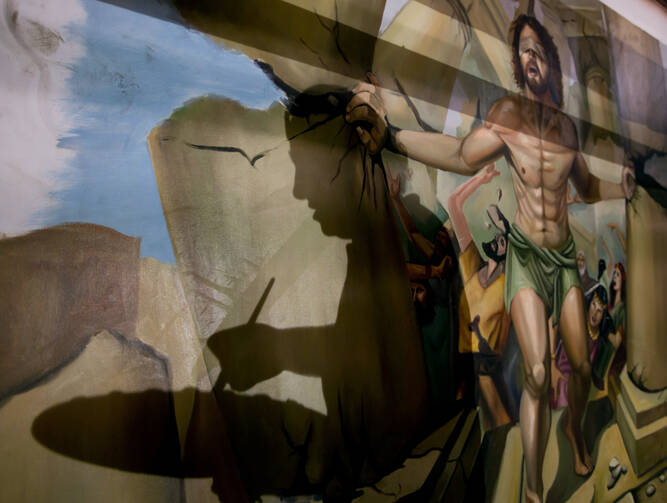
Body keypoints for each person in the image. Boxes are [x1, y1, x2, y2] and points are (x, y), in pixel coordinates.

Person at [345, 14, 635, 502]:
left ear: (548, 58)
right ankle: (534, 489)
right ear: (519, 65)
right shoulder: (507, 117)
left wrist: (622, 188)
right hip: (525, 258)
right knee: (538, 375)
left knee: (583, 369)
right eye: (521, 50)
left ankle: (575, 432)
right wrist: (392, 138)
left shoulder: (567, 131)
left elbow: (585, 189)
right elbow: (461, 155)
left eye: (536, 47)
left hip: (563, 261)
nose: (529, 56)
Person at [447, 164, 513, 429]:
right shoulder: (473, 263)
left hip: (488, 365)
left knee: (501, 424)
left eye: (504, 237)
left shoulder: (509, 282)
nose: (498, 238)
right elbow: (453, 203)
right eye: (497, 235)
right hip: (464, 362)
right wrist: (479, 179)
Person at [550, 285, 620, 408]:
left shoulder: (601, 331)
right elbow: (554, 319)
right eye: (594, 305)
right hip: (563, 374)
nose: (595, 313)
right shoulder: (578, 320)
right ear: (589, 303)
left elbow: (616, 342)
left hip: (581, 384)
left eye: (599, 311)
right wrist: (552, 361)